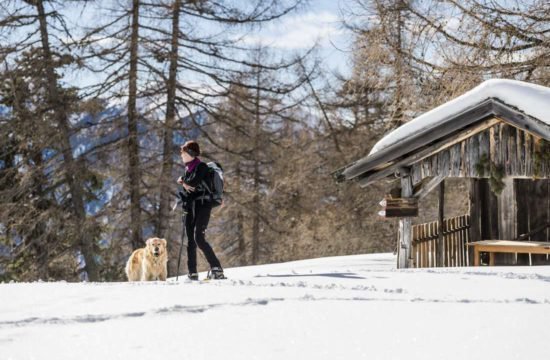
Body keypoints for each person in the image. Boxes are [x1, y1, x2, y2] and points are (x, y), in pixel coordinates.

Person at [177, 140, 225, 280]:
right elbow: (189, 189)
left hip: (204, 205)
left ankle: (217, 268)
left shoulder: (201, 166)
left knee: (199, 238)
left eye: (183, 153)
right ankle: (192, 273)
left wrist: (182, 181)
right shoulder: (188, 170)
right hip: (191, 207)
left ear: (191, 153)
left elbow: (193, 183)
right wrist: (183, 183)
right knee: (191, 240)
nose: (181, 155)